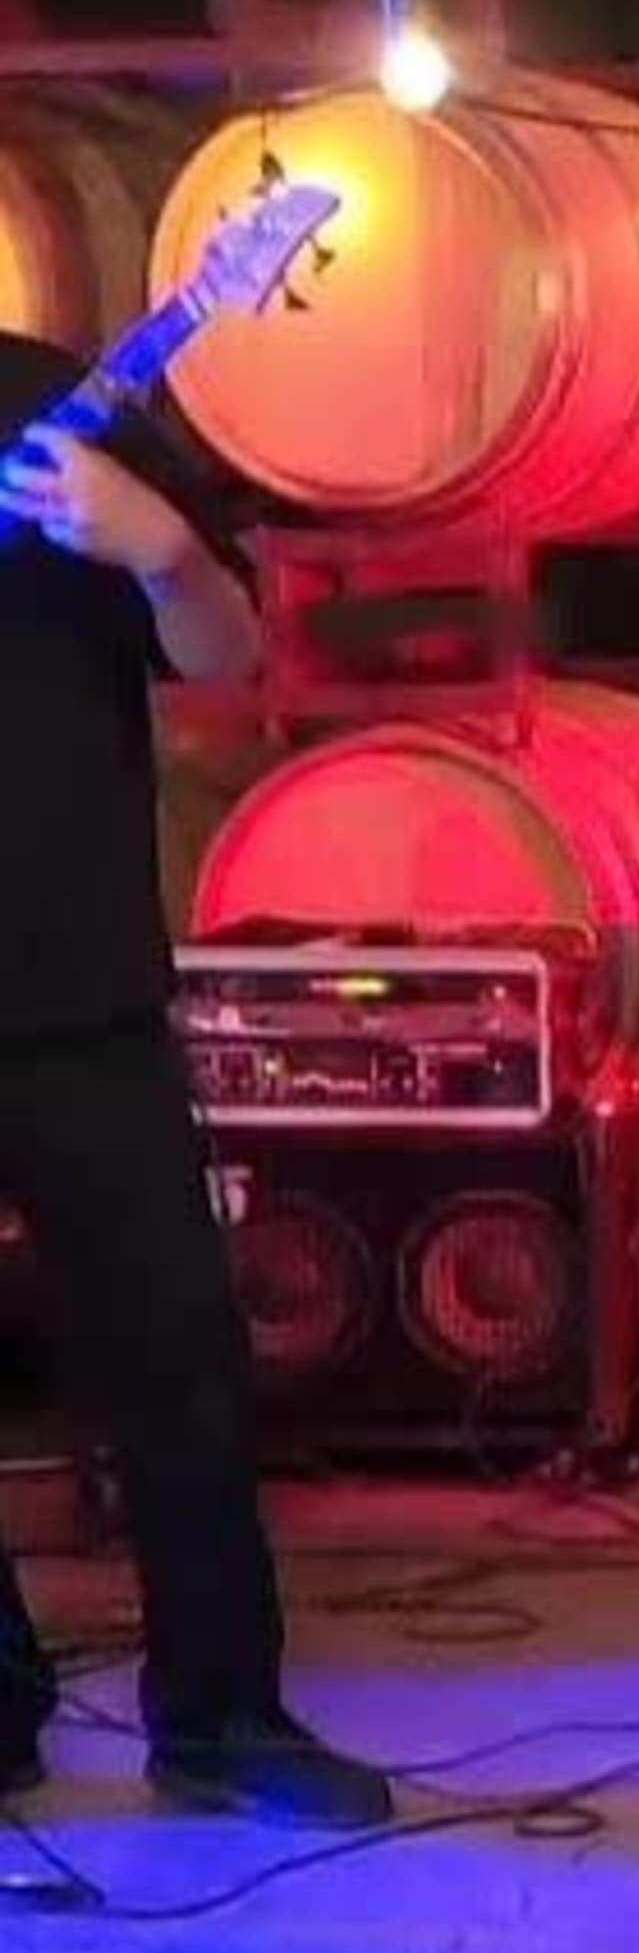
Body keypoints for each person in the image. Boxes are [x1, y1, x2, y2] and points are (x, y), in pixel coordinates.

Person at [0, 346, 393, 1829]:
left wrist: (155, 545)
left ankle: (224, 1715)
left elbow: (222, 649)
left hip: (76, 982)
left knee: (178, 1363)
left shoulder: (59, 403)